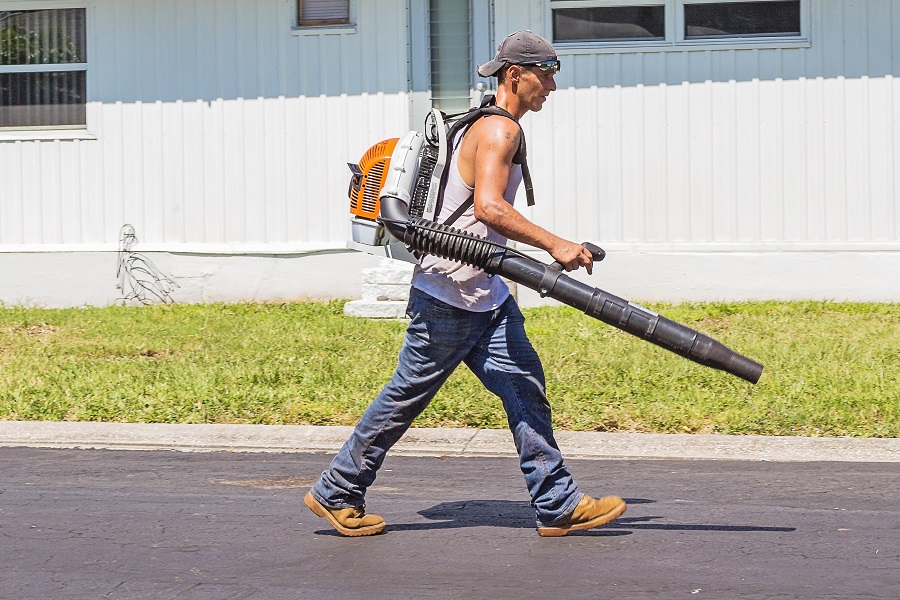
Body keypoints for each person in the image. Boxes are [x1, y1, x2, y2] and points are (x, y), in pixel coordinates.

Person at [305, 30, 626, 537]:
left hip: (484, 292)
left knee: (525, 386)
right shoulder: (500, 131)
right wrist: (556, 245)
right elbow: (490, 208)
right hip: (449, 295)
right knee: (405, 396)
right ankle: (337, 488)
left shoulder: (477, 124)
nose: (552, 87)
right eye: (545, 75)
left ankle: (557, 502)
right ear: (515, 76)